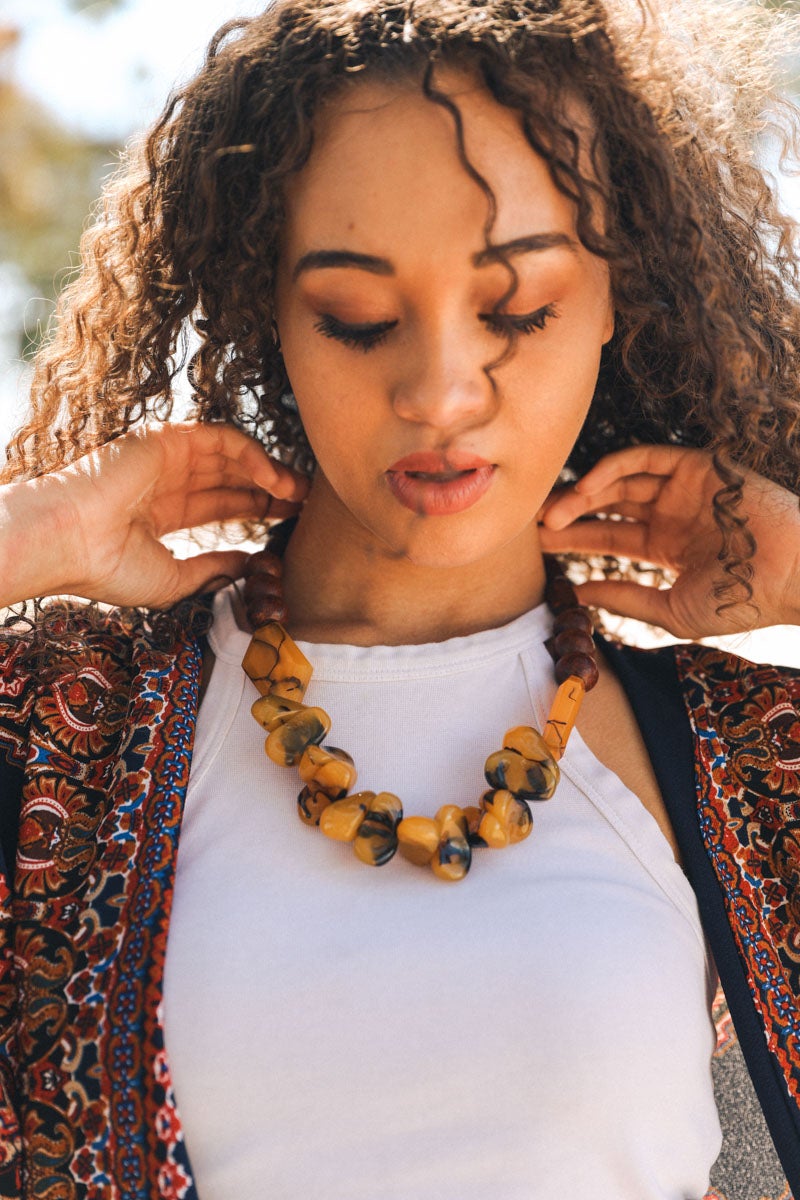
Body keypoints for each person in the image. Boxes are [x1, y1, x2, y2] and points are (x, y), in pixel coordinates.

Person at [0, 0, 799, 1196]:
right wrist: (33, 534)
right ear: (265, 311)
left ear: (617, 298)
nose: (439, 392)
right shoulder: (60, 727)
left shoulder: (744, 759)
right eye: (358, 318)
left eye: (515, 310)